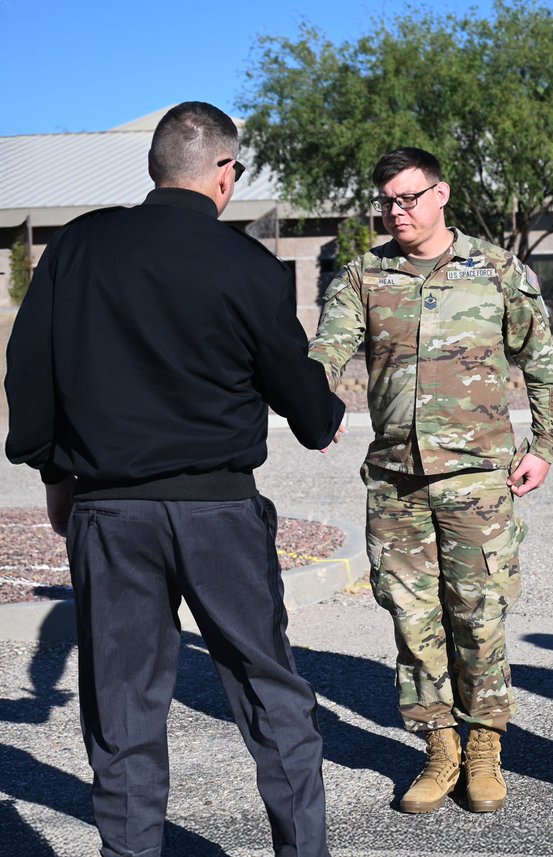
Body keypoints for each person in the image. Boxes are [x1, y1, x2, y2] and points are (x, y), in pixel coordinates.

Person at [5, 101, 345, 857]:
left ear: (154, 167)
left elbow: (29, 372)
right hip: (219, 510)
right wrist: (322, 417)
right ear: (225, 173)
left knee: (123, 706)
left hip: (110, 511)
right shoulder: (248, 265)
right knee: (268, 691)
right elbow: (294, 378)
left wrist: (54, 471)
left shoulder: (78, 247)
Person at [308, 147, 553, 814]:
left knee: (478, 617)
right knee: (412, 619)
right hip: (396, 480)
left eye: (410, 198)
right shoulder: (367, 274)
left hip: (478, 478)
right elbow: (329, 349)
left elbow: (540, 360)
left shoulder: (498, 269)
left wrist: (543, 444)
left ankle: (484, 747)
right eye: (388, 202)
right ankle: (439, 746)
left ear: (442, 193)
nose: (399, 211)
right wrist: (313, 396)